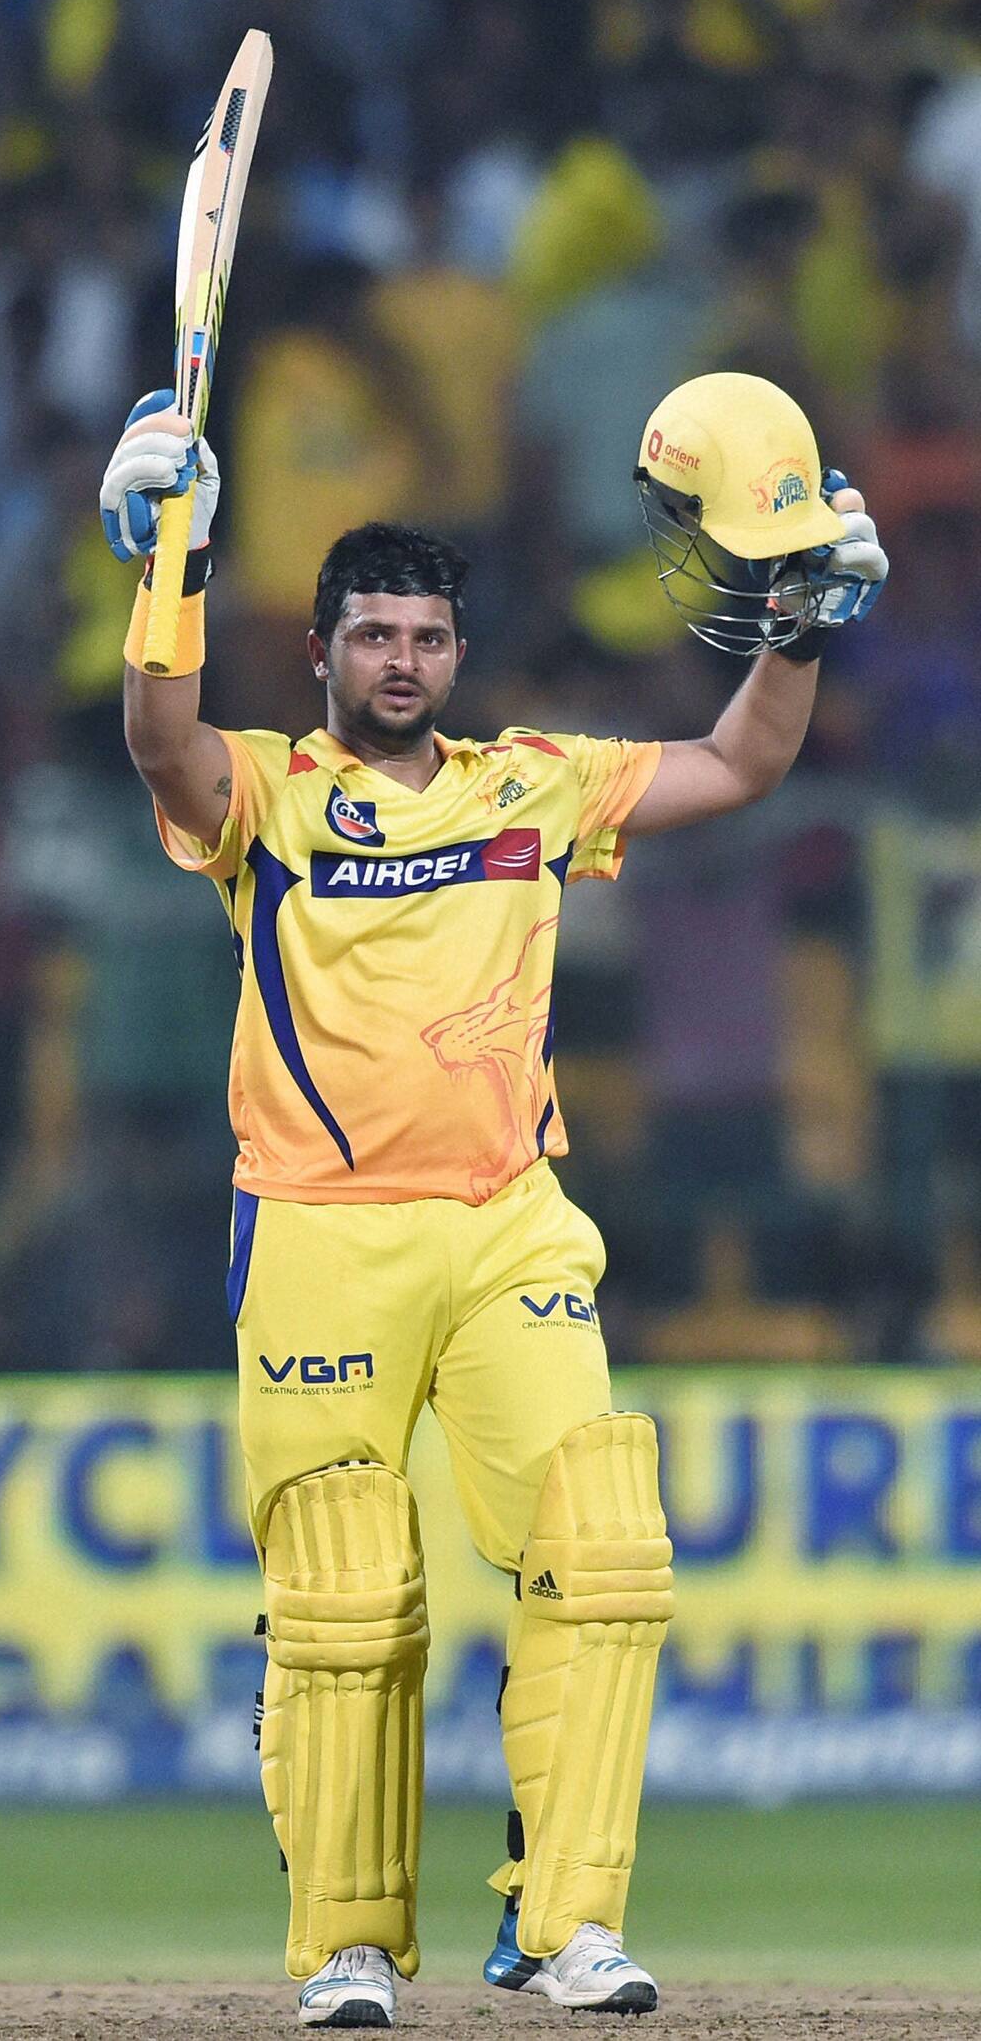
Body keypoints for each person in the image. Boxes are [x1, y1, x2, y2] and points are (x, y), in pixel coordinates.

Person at [100, 371, 887, 2028]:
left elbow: (741, 760)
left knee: (603, 1549)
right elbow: (157, 744)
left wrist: (798, 623)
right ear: (321, 652)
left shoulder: (530, 781)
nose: (402, 661)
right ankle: (349, 1947)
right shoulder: (268, 795)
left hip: (512, 1217)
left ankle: (570, 1922)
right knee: (341, 1594)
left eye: (427, 637)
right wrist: (165, 563)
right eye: (372, 635)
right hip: (319, 1225)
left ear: (458, 652)